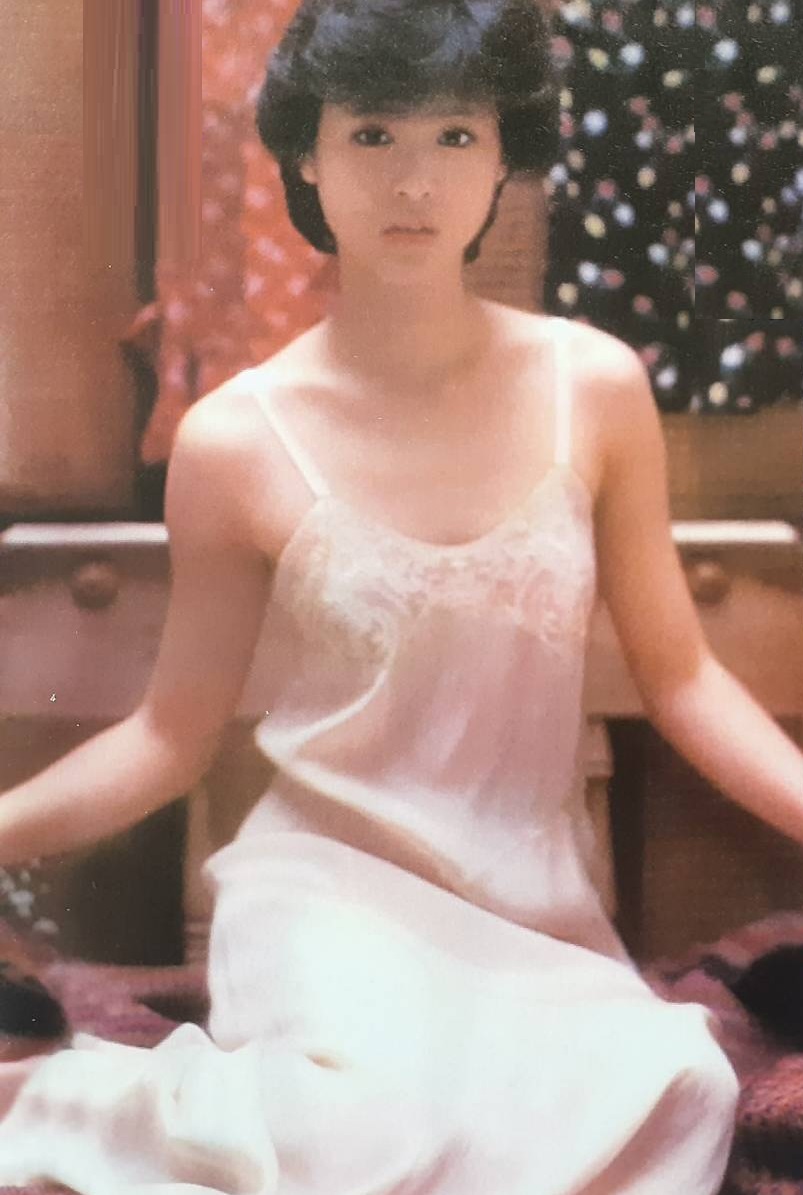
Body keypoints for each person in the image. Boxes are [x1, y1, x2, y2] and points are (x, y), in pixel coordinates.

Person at [0, 1, 801, 1191]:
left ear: (503, 156)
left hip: (531, 913)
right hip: (324, 896)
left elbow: (681, 679)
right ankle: (71, 1110)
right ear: (307, 158)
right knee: (363, 1128)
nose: (414, 181)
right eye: (372, 135)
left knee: (678, 1090)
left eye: (454, 136)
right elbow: (168, 735)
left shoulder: (591, 388)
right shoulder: (235, 438)